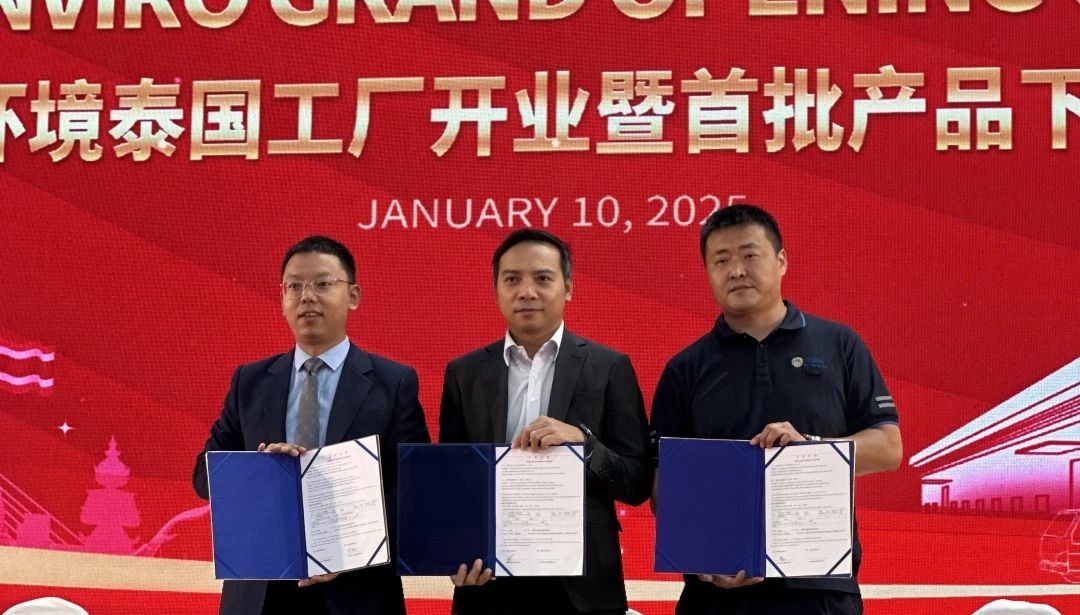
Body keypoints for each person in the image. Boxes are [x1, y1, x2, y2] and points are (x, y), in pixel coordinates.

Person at [650, 205, 903, 615]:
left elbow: (888, 448)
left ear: (781, 261)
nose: (736, 270)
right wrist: (702, 558)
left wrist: (812, 449)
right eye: (721, 260)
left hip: (818, 589)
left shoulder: (840, 345)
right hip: (717, 594)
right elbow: (665, 484)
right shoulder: (685, 368)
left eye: (750, 255)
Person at [192, 236, 430, 615]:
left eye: (322, 284)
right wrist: (261, 469)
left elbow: (415, 489)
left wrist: (350, 547)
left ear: (353, 296)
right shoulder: (250, 381)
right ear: (282, 297)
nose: (307, 297)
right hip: (260, 594)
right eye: (295, 286)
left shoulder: (393, 382)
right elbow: (205, 478)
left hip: (356, 592)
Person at [439, 229, 653, 615]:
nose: (526, 292)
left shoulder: (609, 367)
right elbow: (452, 482)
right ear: (496, 290)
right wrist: (455, 553)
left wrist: (584, 445)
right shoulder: (464, 373)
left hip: (584, 588)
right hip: (489, 584)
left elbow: (637, 482)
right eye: (512, 279)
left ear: (567, 287)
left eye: (542, 278)